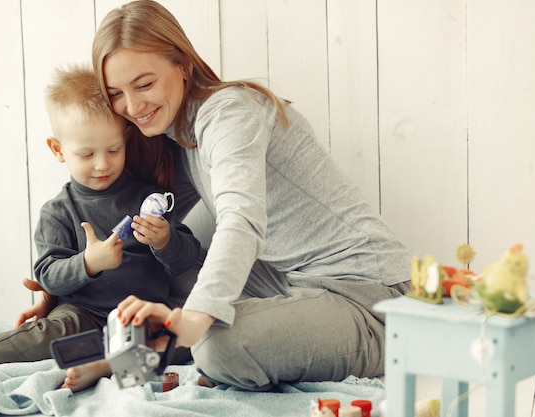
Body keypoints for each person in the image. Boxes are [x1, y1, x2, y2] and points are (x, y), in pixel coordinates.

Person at [23, 0, 411, 392]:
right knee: (180, 270)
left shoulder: (230, 113)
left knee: (212, 343)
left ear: (183, 65)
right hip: (288, 282)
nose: (133, 106)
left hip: (368, 297)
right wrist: (66, 288)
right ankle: (124, 361)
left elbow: (241, 221)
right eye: (117, 94)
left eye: (144, 84)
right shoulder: (180, 139)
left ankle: (153, 354)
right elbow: (132, 227)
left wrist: (195, 319)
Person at [0, 64, 201, 391]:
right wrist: (89, 263)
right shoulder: (59, 211)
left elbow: (188, 256)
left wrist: (166, 240)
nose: (102, 164)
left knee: (194, 335)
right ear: (58, 150)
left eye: (113, 150)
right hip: (84, 314)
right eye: (86, 154)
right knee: (44, 336)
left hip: (144, 313)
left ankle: (103, 365)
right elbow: (47, 272)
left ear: (126, 139)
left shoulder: (146, 198)